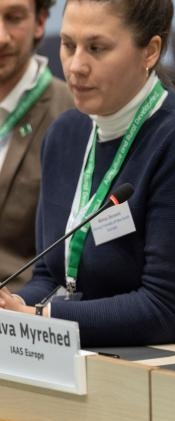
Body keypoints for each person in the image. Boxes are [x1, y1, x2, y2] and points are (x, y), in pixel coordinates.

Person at [0, 0, 175, 352]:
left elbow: (170, 308)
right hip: (101, 350)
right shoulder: (66, 133)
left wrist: (44, 317)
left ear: (150, 52)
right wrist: (13, 312)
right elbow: (52, 275)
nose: (76, 66)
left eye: (97, 48)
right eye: (68, 45)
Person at [0, 0, 74, 292]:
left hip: (18, 309)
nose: (1, 37)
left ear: (41, 21)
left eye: (14, 18)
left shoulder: (73, 114)